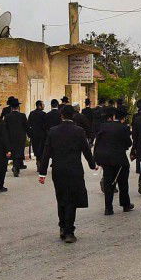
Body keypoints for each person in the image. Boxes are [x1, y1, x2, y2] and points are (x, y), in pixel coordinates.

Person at [37, 104, 96, 243]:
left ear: (61, 115)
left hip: (58, 170)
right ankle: (69, 231)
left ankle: (62, 226)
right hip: (74, 170)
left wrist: (42, 173)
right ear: (73, 116)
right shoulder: (79, 131)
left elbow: (46, 153)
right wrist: (92, 165)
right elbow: (86, 151)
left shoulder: (53, 131)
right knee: (72, 200)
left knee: (61, 198)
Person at [93, 106, 133, 215]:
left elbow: (98, 142)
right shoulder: (124, 128)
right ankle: (125, 205)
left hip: (105, 159)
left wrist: (96, 158)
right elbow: (128, 143)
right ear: (124, 118)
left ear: (114, 116)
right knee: (123, 182)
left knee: (108, 183)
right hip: (120, 159)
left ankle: (108, 208)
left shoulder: (103, 126)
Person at [3, 97, 28, 177]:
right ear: (18, 107)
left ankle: (15, 167)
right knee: (19, 152)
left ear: (11, 107)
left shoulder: (7, 116)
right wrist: (30, 135)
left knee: (13, 152)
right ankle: (15, 167)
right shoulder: (22, 116)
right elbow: (26, 127)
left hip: (11, 137)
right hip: (21, 137)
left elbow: (5, 128)